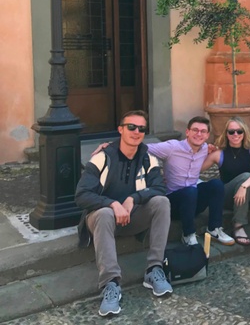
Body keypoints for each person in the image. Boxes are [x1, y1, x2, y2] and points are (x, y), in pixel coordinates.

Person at [75, 110, 172, 317]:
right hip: (102, 220)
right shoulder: (102, 158)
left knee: (161, 202)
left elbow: (159, 189)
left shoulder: (148, 159)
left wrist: (133, 199)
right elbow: (81, 195)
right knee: (104, 214)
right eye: (131, 127)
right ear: (120, 129)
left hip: (132, 217)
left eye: (141, 129)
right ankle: (111, 284)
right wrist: (111, 204)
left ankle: (154, 269)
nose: (136, 132)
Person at [148, 117, 234, 246]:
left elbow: (222, 149)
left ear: (207, 135)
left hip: (193, 203)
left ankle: (214, 228)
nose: (199, 134)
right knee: (190, 191)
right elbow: (143, 147)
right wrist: (111, 146)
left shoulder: (205, 148)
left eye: (203, 131)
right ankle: (188, 234)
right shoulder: (172, 147)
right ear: (187, 132)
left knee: (216, 184)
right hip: (174, 204)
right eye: (195, 130)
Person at [201, 118, 250, 251]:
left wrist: (244, 186)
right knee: (246, 176)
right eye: (231, 131)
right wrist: (203, 151)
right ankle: (238, 224)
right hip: (228, 197)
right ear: (226, 134)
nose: (235, 135)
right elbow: (197, 169)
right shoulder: (219, 154)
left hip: (248, 195)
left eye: (239, 131)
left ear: (244, 133)